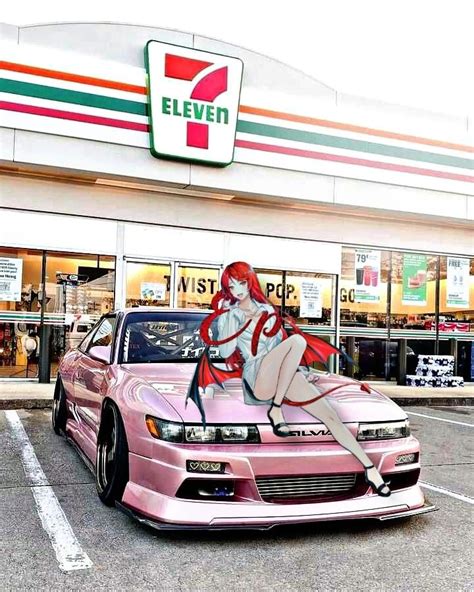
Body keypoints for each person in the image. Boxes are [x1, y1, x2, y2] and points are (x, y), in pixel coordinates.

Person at [190, 261, 390, 497]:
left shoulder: (267, 313)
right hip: (257, 376)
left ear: (250, 282)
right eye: (232, 287)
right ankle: (275, 408)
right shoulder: (230, 316)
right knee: (297, 341)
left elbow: (279, 348)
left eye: (241, 283)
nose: (238, 290)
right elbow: (225, 353)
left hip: (280, 374)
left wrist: (303, 372)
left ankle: (369, 469)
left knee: (330, 415)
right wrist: (227, 317)